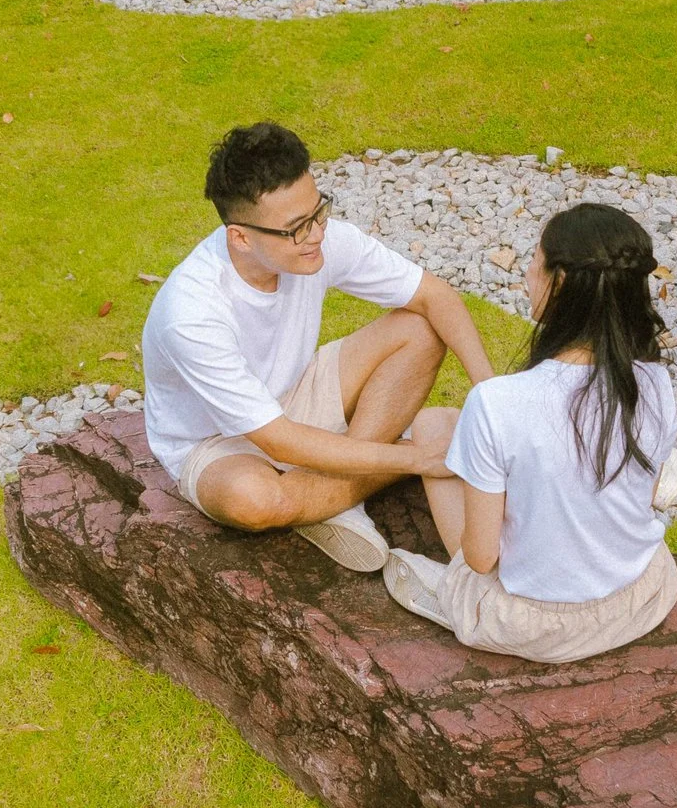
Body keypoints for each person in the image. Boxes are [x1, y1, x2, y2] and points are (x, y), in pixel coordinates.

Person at [141, 122, 497, 572]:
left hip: (296, 390)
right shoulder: (191, 314)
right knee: (254, 501)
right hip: (217, 441)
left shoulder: (317, 240)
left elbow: (435, 296)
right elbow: (278, 440)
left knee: (422, 328)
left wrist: (492, 396)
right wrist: (417, 458)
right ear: (241, 237)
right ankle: (346, 492)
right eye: (295, 229)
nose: (315, 235)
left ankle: (325, 497)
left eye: (318, 212)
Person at [385, 202, 677, 664]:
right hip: (640, 598)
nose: (526, 273)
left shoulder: (498, 403)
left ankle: (445, 594)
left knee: (452, 471)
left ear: (559, 281)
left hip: (533, 627)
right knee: (433, 423)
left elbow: (483, 558)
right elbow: (640, 503)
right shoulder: (653, 382)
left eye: (534, 261)